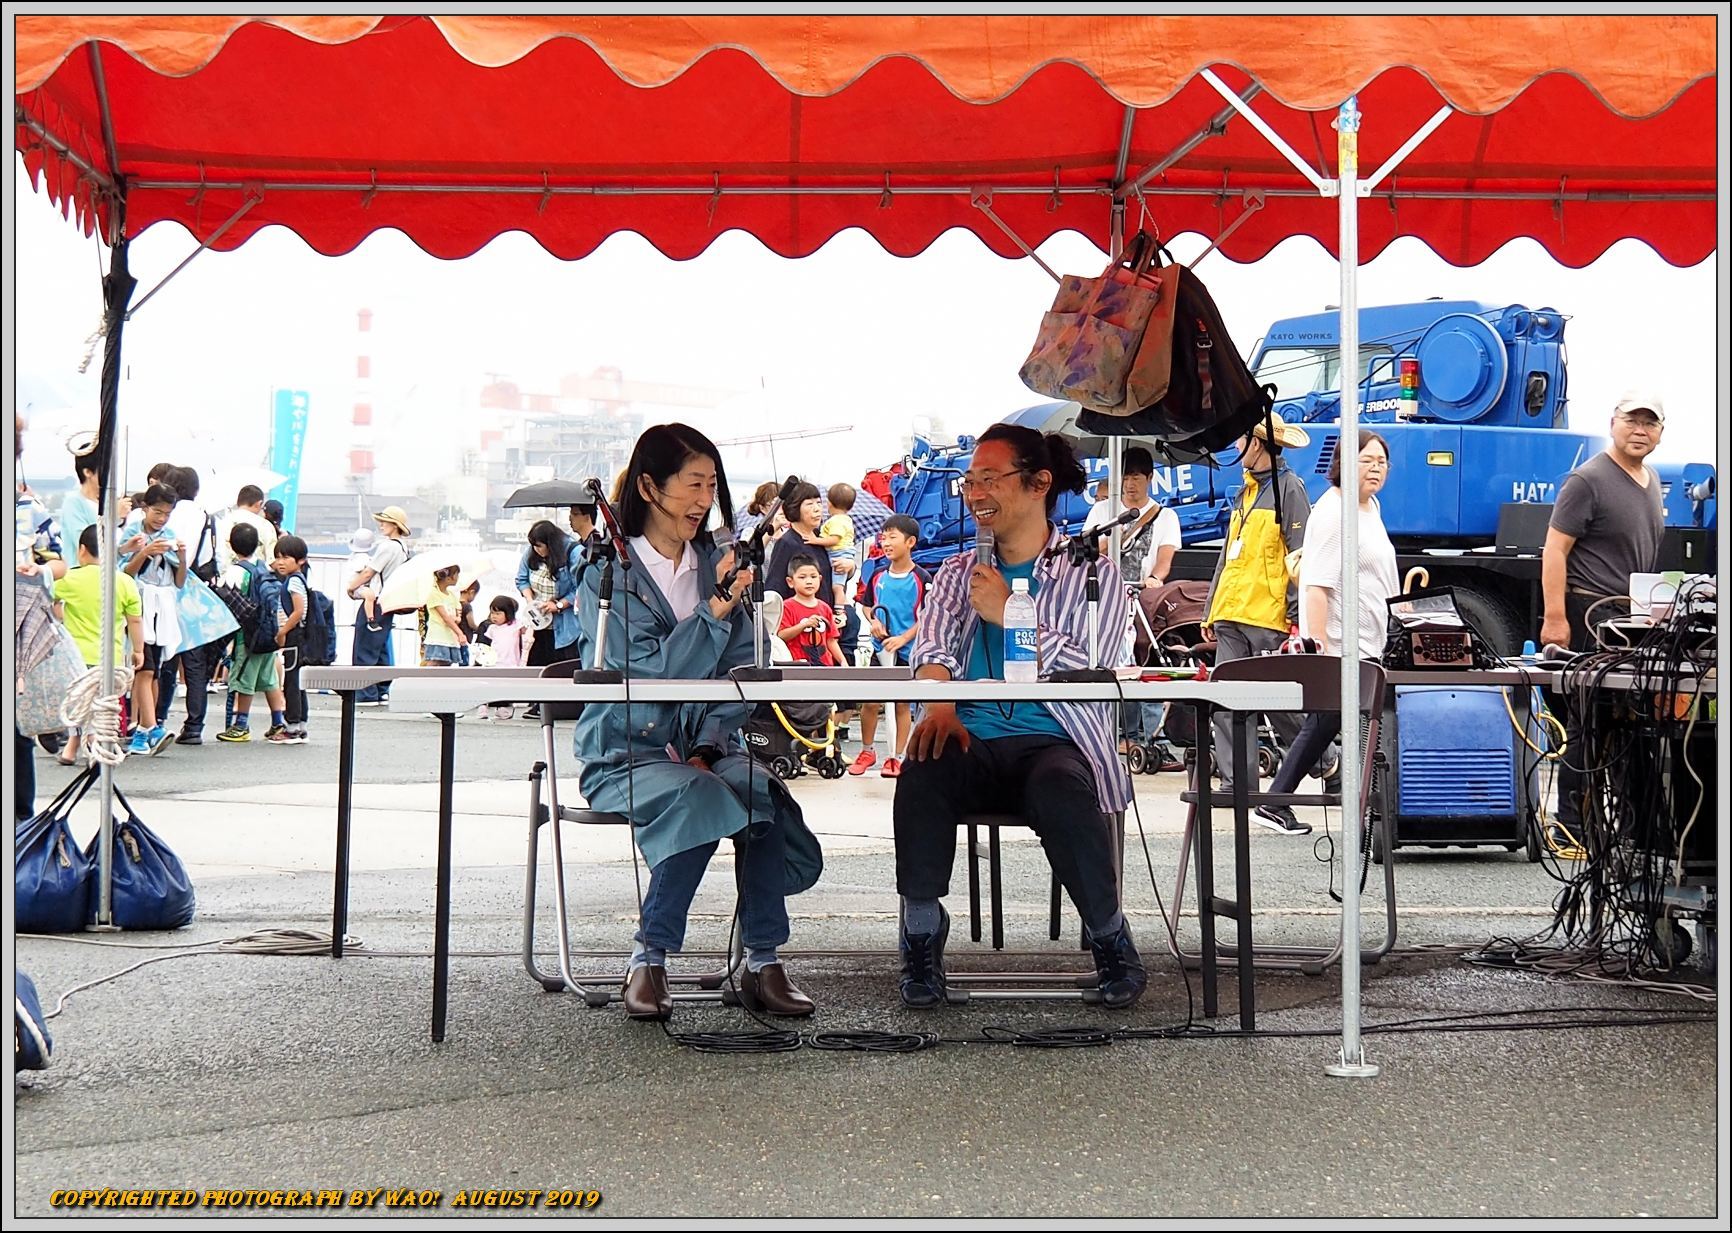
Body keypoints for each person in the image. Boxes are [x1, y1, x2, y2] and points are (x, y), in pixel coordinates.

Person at [571, 422, 823, 1020]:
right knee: (700, 796)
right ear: (652, 488)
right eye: (692, 484)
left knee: (758, 791)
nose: (705, 499)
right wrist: (713, 611)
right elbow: (646, 673)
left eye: (712, 485)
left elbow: (740, 671)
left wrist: (711, 742)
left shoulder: (723, 564)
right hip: (623, 755)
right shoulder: (607, 573)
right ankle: (648, 957)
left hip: (706, 748)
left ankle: (763, 959)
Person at [893, 423, 1145, 1010]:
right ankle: (921, 935)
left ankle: (1111, 940)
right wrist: (940, 706)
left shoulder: (1092, 575)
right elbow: (930, 653)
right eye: (970, 481)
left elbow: (1098, 671)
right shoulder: (957, 574)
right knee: (923, 769)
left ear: (1038, 484)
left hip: (1055, 738)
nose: (975, 494)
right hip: (972, 734)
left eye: (990, 479)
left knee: (1061, 787)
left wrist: (1014, 616)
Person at [1254, 432, 1400, 835]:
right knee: (1337, 721)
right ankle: (1366, 807)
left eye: (1382, 461)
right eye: (1367, 460)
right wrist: (1317, 649)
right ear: (1342, 463)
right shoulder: (1334, 511)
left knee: (1325, 723)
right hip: (1341, 643)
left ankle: (1279, 801)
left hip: (1372, 637)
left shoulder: (1371, 508)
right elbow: (1316, 583)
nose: (1376, 468)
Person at [1540, 389, 1668, 844]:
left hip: (1631, 621)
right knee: (1588, 722)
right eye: (1632, 420)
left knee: (1634, 723)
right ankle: (1573, 826)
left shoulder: (1650, 481)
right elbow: (1554, 550)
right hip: (1590, 614)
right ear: (1613, 423)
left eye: (1649, 423)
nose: (1640, 430)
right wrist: (1556, 618)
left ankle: (1638, 828)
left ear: (1659, 433)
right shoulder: (1587, 480)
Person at [1202, 413, 1313, 789]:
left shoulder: (1290, 489)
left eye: (1240, 440)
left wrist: (1296, 616)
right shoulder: (1243, 492)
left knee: (1276, 702)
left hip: (1267, 616)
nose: (1235, 447)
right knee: (1227, 702)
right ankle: (1238, 784)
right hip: (1232, 612)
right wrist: (1211, 608)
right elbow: (1226, 557)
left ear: (1258, 443)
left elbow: (1301, 557)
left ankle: (1326, 757)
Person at [1083, 445, 1183, 768]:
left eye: (1137, 476)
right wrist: (1117, 530)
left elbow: (1165, 559)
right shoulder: (1102, 512)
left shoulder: (1165, 516)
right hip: (1105, 600)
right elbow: (1089, 551)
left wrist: (1155, 578)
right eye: (1125, 476)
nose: (1130, 483)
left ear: (1150, 479)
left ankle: (1153, 738)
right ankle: (1120, 735)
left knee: (1146, 660)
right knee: (1111, 663)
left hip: (1145, 600)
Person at [52, 523, 145, 765]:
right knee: (101, 703)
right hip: (110, 656)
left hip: (75, 655)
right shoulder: (124, 581)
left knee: (79, 702)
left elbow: (50, 600)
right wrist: (138, 649)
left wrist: (63, 616)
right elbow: (134, 619)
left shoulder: (70, 579)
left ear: (82, 550)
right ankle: (88, 744)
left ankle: (75, 745)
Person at [850, 514, 928, 779]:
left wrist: (904, 638)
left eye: (892, 537)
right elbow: (867, 606)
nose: (886, 542)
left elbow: (926, 616)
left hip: (906, 651)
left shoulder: (921, 577)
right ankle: (867, 749)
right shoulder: (878, 576)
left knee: (901, 704)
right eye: (884, 537)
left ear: (910, 542)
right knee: (871, 702)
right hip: (880, 648)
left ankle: (897, 756)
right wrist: (873, 622)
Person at [153, 465, 222, 745]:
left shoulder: (172, 515)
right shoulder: (205, 516)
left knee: (165, 659)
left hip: (169, 589)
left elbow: (170, 550)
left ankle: (157, 718)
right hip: (197, 593)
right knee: (194, 664)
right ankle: (194, 725)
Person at [119, 482, 186, 756]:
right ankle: (150, 726)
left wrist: (181, 556)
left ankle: (144, 732)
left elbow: (180, 581)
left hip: (163, 610)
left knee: (152, 672)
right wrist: (144, 551)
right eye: (157, 512)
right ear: (145, 508)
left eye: (167, 514)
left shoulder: (170, 535)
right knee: (143, 669)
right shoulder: (133, 533)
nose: (161, 519)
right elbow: (125, 573)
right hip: (138, 605)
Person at [214, 522, 289, 744]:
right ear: (257, 544)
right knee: (269, 679)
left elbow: (225, 604)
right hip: (269, 633)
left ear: (230, 545)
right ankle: (278, 722)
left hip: (246, 637)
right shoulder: (265, 568)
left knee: (243, 680)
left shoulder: (235, 572)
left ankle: (241, 725)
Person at [346, 506, 412, 705]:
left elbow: (369, 572)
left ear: (395, 525)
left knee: (364, 646)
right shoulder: (402, 546)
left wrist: (352, 587)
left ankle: (365, 692)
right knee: (380, 646)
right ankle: (382, 689)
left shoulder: (388, 547)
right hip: (389, 601)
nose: (381, 525)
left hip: (376, 600)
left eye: (385, 522)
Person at [515, 520, 583, 671]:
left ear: (550, 544)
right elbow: (521, 579)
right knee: (538, 669)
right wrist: (530, 601)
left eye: (539, 546)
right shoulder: (531, 552)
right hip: (539, 623)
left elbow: (580, 588)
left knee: (563, 670)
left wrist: (558, 605)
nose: (536, 549)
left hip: (565, 625)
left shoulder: (572, 552)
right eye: (533, 545)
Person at [270, 535, 311, 744]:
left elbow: (298, 611)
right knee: (299, 681)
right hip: (298, 636)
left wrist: (282, 631)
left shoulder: (293, 581)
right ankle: (301, 724)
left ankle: (292, 726)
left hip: (294, 636)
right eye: (278, 557)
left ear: (300, 560)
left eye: (286, 558)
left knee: (292, 682)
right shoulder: (298, 579)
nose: (280, 562)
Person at [777, 554, 844, 666]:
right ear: (790, 582)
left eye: (813, 577)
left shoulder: (825, 607)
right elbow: (781, 636)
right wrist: (804, 625)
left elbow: (830, 640)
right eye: (802, 577)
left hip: (824, 665)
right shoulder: (786, 606)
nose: (809, 582)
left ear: (820, 579)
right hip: (798, 666)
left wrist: (843, 661)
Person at [764, 482, 826, 601]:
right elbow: (775, 588)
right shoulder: (787, 543)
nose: (817, 509)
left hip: (827, 613)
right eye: (809, 504)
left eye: (819, 503)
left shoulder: (822, 538)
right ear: (795, 508)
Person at [482, 594, 532, 719]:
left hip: (510, 662)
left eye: (498, 613)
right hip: (495, 662)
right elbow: (486, 644)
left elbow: (528, 630)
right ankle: (483, 705)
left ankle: (502, 708)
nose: (494, 616)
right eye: (492, 613)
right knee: (491, 686)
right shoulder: (492, 628)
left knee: (505, 687)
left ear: (508, 613)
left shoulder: (516, 625)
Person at [216, 484, 279, 574]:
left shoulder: (221, 523)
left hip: (225, 579)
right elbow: (272, 561)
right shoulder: (265, 525)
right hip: (255, 580)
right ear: (259, 503)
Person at [817, 482, 858, 611]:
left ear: (829, 503)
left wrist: (815, 540)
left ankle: (839, 609)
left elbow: (834, 539)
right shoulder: (845, 519)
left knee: (837, 586)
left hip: (838, 554)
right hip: (842, 554)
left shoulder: (837, 521)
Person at [421, 566, 466, 666]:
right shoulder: (434, 593)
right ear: (448, 578)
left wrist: (456, 619)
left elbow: (457, 616)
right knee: (434, 663)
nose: (458, 577)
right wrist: (460, 633)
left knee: (446, 664)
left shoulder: (451, 594)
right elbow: (445, 617)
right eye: (456, 574)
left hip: (450, 636)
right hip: (438, 636)